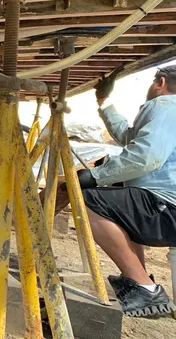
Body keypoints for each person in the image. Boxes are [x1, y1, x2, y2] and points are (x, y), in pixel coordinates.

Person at [71, 65, 176, 316]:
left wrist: (96, 176)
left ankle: (144, 287)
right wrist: (104, 101)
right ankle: (139, 279)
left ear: (160, 82)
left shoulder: (165, 105)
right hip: (167, 206)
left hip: (166, 207)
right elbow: (131, 138)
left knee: (88, 201)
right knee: (122, 209)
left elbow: (145, 157)